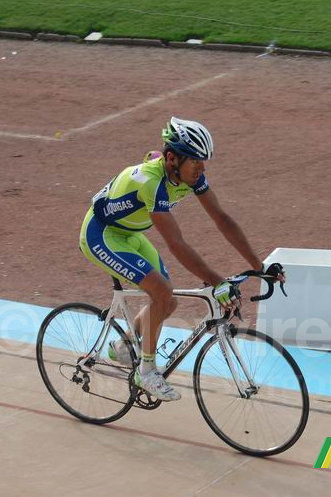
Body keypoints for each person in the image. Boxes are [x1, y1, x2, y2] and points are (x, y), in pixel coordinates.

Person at [79, 117, 268, 401]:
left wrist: (259, 266)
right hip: (101, 235)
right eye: (196, 162)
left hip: (130, 234)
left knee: (169, 301)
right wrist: (217, 281)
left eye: (204, 162)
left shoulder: (189, 176)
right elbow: (176, 243)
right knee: (162, 292)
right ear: (172, 159)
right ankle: (147, 372)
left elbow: (222, 219)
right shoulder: (150, 183)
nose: (202, 169)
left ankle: (123, 345)